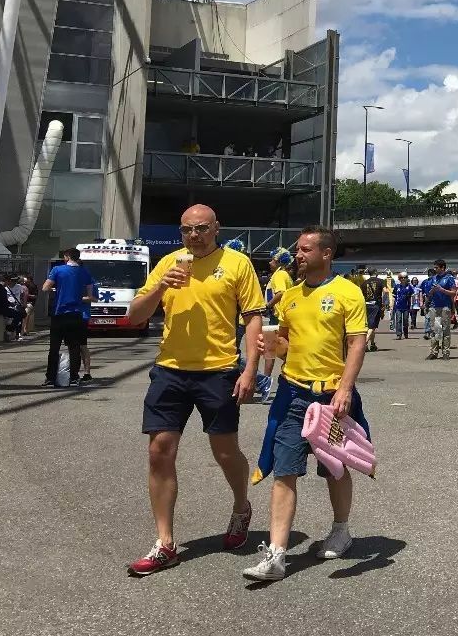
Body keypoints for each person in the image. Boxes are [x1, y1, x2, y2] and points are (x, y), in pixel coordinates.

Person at [123, 204, 266, 576]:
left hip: (218, 371)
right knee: (159, 451)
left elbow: (253, 317)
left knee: (224, 451)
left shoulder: (237, 264)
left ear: (216, 227)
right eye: (187, 229)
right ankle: (165, 543)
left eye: (201, 228)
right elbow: (135, 315)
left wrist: (249, 369)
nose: (194, 235)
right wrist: (159, 287)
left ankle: (240, 507)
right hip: (170, 370)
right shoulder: (169, 261)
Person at [244, 227, 370, 581]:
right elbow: (284, 341)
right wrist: (270, 345)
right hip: (294, 394)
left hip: (332, 397)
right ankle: (277, 554)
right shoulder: (290, 296)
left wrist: (345, 388)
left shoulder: (347, 292)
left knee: (335, 467)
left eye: (304, 250)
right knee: (284, 468)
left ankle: (341, 531)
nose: (296, 255)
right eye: (297, 250)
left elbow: (357, 344)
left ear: (326, 253)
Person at [41, 248, 96, 388]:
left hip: (59, 313)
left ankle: (50, 378)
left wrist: (57, 288)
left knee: (54, 347)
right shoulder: (85, 272)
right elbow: (90, 295)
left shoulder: (57, 270)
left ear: (66, 257)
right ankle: (73, 377)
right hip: (76, 314)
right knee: (74, 347)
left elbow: (45, 288)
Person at [258, 250, 294, 402]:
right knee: (281, 350)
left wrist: (268, 305)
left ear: (279, 261)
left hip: (277, 318)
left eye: (272, 260)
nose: (270, 262)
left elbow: (280, 293)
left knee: (269, 350)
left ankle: (265, 381)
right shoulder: (285, 275)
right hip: (282, 317)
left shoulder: (279, 275)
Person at [426, 259, 458, 360]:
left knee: (445, 330)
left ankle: (445, 352)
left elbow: (454, 293)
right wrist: (432, 291)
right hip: (434, 307)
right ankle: (434, 352)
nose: (435, 269)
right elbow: (429, 294)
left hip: (445, 307)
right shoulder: (433, 278)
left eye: (437, 267)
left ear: (442, 267)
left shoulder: (449, 278)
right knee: (436, 329)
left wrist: (442, 290)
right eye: (434, 267)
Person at [391, 272, 412, 340]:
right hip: (398, 307)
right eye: (401, 278)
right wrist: (392, 306)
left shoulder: (409, 287)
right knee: (398, 320)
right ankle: (399, 334)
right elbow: (393, 296)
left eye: (405, 277)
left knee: (405, 321)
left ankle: (406, 333)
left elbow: (413, 296)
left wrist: (412, 305)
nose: (403, 279)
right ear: (399, 279)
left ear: (407, 278)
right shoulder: (397, 286)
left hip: (406, 307)